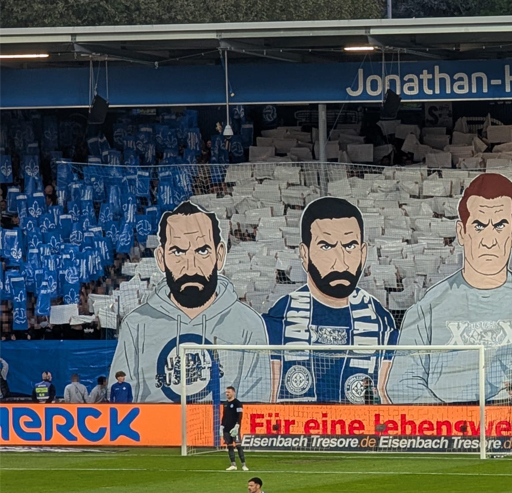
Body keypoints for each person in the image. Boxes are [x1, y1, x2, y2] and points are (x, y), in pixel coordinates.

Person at [386, 174, 512, 403]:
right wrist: (452, 418)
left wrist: (500, 409)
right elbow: (402, 384)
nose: (489, 240)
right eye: (479, 226)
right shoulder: (428, 306)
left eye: (500, 226)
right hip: (446, 424)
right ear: (462, 233)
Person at [110, 201, 268, 402]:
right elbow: (120, 399)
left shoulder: (248, 323)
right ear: (161, 258)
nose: (191, 266)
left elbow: (257, 402)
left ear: (219, 255)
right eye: (178, 251)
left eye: (202, 251)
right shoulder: (136, 324)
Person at [263, 198, 397, 403]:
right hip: (299, 421)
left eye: (350, 246)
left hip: (357, 422)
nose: (340, 262)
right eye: (326, 246)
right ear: (305, 254)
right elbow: (271, 395)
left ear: (363, 253)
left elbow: (385, 394)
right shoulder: (283, 313)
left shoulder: (379, 318)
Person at [222, 386, 248, 471]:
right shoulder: (225, 404)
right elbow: (224, 416)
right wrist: (222, 426)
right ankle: (233, 464)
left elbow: (240, 415)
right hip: (226, 428)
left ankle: (243, 465)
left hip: (234, 428)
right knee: (229, 445)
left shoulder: (237, 403)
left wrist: (237, 426)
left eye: (229, 392)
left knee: (238, 445)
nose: (227, 394)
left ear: (233, 392)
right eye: (226, 392)